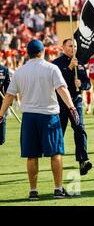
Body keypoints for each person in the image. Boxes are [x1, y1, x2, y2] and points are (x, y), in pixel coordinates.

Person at [0, 40, 79, 200]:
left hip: (29, 116)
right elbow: (62, 89)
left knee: (31, 155)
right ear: (43, 52)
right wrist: (72, 107)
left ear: (27, 53)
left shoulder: (20, 71)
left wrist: (0, 114)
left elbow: (9, 95)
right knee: (55, 153)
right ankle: (57, 188)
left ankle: (33, 190)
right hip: (49, 115)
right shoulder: (51, 68)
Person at [52, 39, 93, 176]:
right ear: (63, 47)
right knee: (59, 132)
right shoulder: (56, 64)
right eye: (70, 46)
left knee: (79, 128)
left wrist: (81, 84)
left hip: (75, 102)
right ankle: (56, 159)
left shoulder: (80, 63)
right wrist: (69, 68)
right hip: (60, 103)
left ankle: (83, 161)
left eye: (75, 46)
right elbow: (57, 82)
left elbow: (88, 84)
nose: (73, 48)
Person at [0, 62, 11, 145]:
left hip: (1, 102)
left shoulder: (4, 69)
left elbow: (8, 87)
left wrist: (9, 100)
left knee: (1, 139)